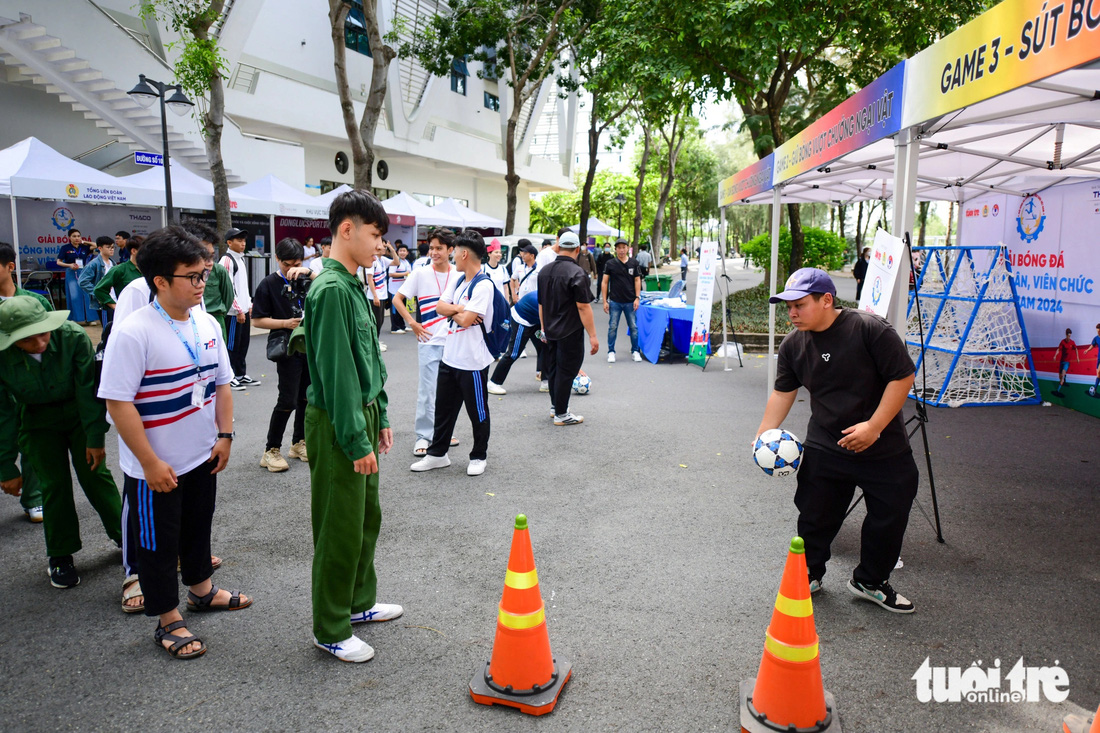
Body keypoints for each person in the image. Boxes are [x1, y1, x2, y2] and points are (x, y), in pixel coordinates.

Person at [101, 225, 250, 659]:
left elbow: (222, 383)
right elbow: (118, 403)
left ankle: (202, 590)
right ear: (161, 281)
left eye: (204, 274)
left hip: (201, 454)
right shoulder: (133, 332)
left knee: (198, 524)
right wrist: (148, 462)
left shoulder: (205, 321)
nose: (204, 284)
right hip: (156, 466)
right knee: (157, 542)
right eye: (194, 277)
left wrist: (224, 436)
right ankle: (167, 618)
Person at [756, 267, 918, 614]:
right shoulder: (793, 345)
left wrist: (873, 426)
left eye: (799, 305)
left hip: (883, 445)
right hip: (826, 444)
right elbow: (783, 392)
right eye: (788, 307)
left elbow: (902, 377)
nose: (792, 313)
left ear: (826, 300)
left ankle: (870, 581)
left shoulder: (869, 329)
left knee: (889, 517)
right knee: (815, 516)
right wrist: (762, 437)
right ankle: (808, 575)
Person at [301, 189, 401, 663]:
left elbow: (368, 360)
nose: (380, 244)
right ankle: (331, 625)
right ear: (347, 229)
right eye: (376, 234)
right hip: (340, 419)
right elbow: (339, 373)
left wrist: (379, 413)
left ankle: (357, 603)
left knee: (365, 518)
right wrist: (356, 436)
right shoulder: (332, 288)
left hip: (359, 414)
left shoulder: (351, 283)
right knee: (340, 525)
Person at [0, 296, 126, 592]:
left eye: (43, 332)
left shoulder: (71, 336)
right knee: (53, 485)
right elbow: (3, 413)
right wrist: (5, 465)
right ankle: (60, 555)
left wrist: (95, 438)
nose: (41, 342)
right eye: (28, 339)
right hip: (36, 420)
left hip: (78, 416)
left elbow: (89, 390)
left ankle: (126, 538)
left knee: (95, 476)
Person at [411, 230, 495, 476]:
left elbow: (468, 320)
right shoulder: (459, 282)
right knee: (443, 410)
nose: (452, 255)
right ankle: (437, 454)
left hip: (473, 361)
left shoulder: (484, 284)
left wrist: (456, 311)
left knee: (477, 411)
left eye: (455, 251)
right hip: (450, 357)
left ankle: (479, 456)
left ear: (464, 253)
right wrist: (460, 309)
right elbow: (439, 307)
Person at [393, 228, 459, 457]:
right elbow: (397, 299)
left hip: (454, 342)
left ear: (451, 250)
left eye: (439, 248)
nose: (434, 252)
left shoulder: (459, 275)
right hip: (429, 340)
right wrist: (412, 322)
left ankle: (443, 432)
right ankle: (423, 436)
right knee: (427, 392)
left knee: (449, 393)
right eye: (431, 248)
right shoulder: (420, 273)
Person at [0, 242, 50, 522]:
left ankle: (34, 496)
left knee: (34, 442)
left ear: (10, 267)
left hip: (32, 387)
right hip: (4, 385)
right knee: (5, 434)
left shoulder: (35, 300)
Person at [252, 238, 310, 472]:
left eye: (298, 263)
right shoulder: (268, 284)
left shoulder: (306, 280)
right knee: (287, 399)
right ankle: (271, 449)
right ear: (277, 259)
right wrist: (285, 323)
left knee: (307, 396)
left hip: (309, 346)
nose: (292, 268)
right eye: (288, 264)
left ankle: (298, 442)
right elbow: (257, 320)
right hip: (287, 348)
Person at [538, 231, 599, 426]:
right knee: (568, 370)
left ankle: (557, 407)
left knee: (554, 369)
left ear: (559, 247)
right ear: (576, 249)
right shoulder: (577, 272)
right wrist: (593, 336)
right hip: (570, 330)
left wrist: (543, 328)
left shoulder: (544, 271)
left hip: (550, 329)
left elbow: (541, 304)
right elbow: (583, 306)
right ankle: (562, 414)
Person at [220, 228, 260, 390]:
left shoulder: (241, 259)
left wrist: (249, 305)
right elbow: (229, 288)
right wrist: (238, 310)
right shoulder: (226, 260)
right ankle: (229, 376)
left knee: (243, 344)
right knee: (232, 345)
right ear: (229, 243)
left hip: (243, 310)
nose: (243, 244)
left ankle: (240, 374)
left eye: (244, 240)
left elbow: (243, 287)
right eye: (239, 240)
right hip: (233, 313)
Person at [183, 222, 235, 343]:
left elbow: (228, 297)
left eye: (212, 256)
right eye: (203, 256)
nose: (209, 263)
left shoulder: (219, 271)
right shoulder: (141, 288)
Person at [487, 291, 542, 394]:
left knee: (544, 348)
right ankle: (493, 383)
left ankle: (545, 380)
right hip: (521, 319)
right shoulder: (546, 302)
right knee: (513, 353)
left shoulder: (555, 300)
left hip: (535, 319)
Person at [602, 238, 642, 363]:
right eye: (619, 248)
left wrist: (637, 297)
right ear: (616, 249)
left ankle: (635, 351)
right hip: (615, 301)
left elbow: (637, 280)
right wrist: (604, 301)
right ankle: (611, 351)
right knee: (613, 327)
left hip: (630, 301)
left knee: (634, 327)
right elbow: (604, 282)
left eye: (623, 247)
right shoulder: (610, 263)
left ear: (627, 248)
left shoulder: (634, 263)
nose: (621, 250)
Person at [94, 235, 145, 312]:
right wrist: (115, 306)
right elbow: (99, 290)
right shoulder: (120, 269)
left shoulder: (150, 269)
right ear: (134, 251)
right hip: (129, 313)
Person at [57, 228, 93, 324]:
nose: (76, 238)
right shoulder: (65, 248)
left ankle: (90, 319)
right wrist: (69, 265)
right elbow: (58, 262)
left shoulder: (84, 247)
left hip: (84, 272)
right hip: (72, 272)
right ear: (69, 238)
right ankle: (77, 319)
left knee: (87, 294)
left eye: (78, 236)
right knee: (75, 295)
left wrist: (84, 241)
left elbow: (97, 246)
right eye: (74, 236)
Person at [78, 236, 116, 328]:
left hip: (115, 299)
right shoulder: (94, 264)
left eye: (113, 247)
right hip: (104, 302)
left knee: (115, 327)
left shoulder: (113, 263)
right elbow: (82, 281)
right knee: (108, 329)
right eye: (108, 247)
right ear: (100, 248)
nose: (111, 250)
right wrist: (98, 293)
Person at [387, 242, 411, 333]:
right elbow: (391, 274)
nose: (402, 252)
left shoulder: (406, 262)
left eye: (404, 251)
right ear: (397, 252)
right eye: (400, 251)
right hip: (394, 290)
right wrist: (404, 274)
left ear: (407, 252)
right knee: (395, 309)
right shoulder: (395, 262)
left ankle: (402, 326)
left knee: (402, 308)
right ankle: (395, 327)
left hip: (403, 290)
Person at [1052, 328, 1078, 398]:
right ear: (1066, 335)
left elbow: (1076, 349)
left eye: (1070, 336)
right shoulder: (1063, 342)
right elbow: (1058, 349)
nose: (1069, 337)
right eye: (1068, 336)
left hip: (1067, 362)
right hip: (1062, 361)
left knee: (1062, 375)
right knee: (1060, 377)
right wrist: (1055, 355)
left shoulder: (1072, 342)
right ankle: (1064, 379)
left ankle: (1057, 391)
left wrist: (1077, 357)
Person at [1082, 323, 1100, 397]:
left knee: (1099, 371)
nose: (1098, 332)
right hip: (1099, 358)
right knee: (1098, 375)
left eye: (1099, 331)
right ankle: (1095, 389)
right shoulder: (1096, 338)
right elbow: (1092, 345)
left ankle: (1094, 389)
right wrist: (1087, 350)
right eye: (1097, 331)